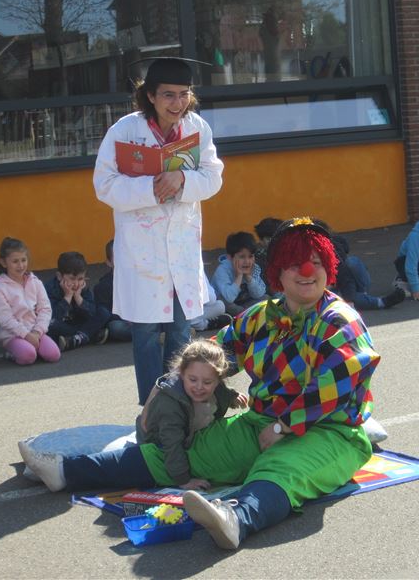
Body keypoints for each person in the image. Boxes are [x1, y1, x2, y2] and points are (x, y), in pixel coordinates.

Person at [20, 217, 380, 550]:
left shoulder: (339, 321)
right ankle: (66, 471)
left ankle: (235, 519)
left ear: (329, 268)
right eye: (296, 262)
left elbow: (338, 382)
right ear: (277, 272)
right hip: (261, 420)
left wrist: (284, 425)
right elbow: (210, 352)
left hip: (331, 431)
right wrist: (167, 388)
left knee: (282, 470)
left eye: (317, 261)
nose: (307, 271)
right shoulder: (262, 315)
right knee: (183, 452)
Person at [93, 56, 223, 405]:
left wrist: (181, 178)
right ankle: (151, 406)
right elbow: (103, 185)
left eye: (183, 94)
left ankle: (183, 401)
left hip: (180, 247)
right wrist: (151, 187)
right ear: (149, 95)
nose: (177, 103)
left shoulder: (197, 127)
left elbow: (213, 177)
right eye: (168, 95)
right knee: (146, 333)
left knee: (182, 329)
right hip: (142, 249)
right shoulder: (124, 131)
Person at [133, 338, 247, 490]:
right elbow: (171, 445)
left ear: (218, 380)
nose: (199, 387)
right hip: (156, 442)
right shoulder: (169, 403)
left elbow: (221, 390)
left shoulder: (216, 385)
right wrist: (184, 480)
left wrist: (232, 396)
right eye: (192, 380)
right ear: (181, 373)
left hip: (188, 430)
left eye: (207, 382)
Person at [0, 237, 60, 365]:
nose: (21, 265)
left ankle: (32, 347)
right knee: (28, 356)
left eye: (23, 260)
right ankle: (12, 352)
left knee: (54, 354)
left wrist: (37, 331)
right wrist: (26, 335)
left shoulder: (35, 282)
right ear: (4, 263)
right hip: (13, 335)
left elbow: (45, 308)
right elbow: (5, 319)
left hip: (35, 331)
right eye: (15, 261)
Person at [326, 227, 405, 310]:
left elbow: (345, 276)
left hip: (351, 282)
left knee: (351, 262)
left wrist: (349, 298)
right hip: (337, 288)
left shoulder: (334, 250)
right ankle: (381, 302)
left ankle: (363, 295)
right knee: (336, 299)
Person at [45, 251, 110, 351]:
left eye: (80, 279)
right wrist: (68, 296)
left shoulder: (83, 288)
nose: (76, 284)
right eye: (72, 278)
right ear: (59, 276)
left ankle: (77, 339)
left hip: (79, 323)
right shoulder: (49, 289)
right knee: (50, 325)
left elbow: (92, 313)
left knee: (103, 312)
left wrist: (78, 298)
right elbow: (53, 316)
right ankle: (89, 334)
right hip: (63, 325)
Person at [211, 231, 268, 316]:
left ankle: (245, 314)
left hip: (243, 304)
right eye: (242, 257)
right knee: (223, 301)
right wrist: (239, 276)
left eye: (250, 256)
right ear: (230, 257)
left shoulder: (254, 268)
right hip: (227, 305)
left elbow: (259, 294)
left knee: (266, 298)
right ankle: (247, 315)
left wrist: (249, 277)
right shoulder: (222, 271)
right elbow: (228, 298)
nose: (247, 261)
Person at [93, 240, 132, 342]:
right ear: (109, 263)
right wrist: (125, 318)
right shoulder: (103, 286)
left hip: (144, 318)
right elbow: (104, 313)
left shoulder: (140, 279)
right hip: (122, 321)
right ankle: (153, 335)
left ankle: (152, 333)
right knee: (115, 327)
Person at [253, 217, 282, 295]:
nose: (273, 242)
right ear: (261, 240)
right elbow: (267, 287)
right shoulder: (258, 257)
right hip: (268, 293)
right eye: (268, 239)